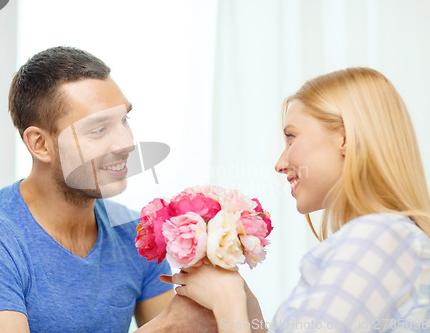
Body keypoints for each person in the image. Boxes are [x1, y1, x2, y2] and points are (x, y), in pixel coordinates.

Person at [162, 67, 430, 332]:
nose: (280, 164)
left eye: (291, 137)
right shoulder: (385, 239)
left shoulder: (378, 238)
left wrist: (227, 302)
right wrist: (246, 305)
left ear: (345, 137)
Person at [0, 46, 176, 332]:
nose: (126, 143)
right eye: (99, 129)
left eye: (124, 120)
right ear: (40, 144)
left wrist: (225, 286)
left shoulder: (135, 233)